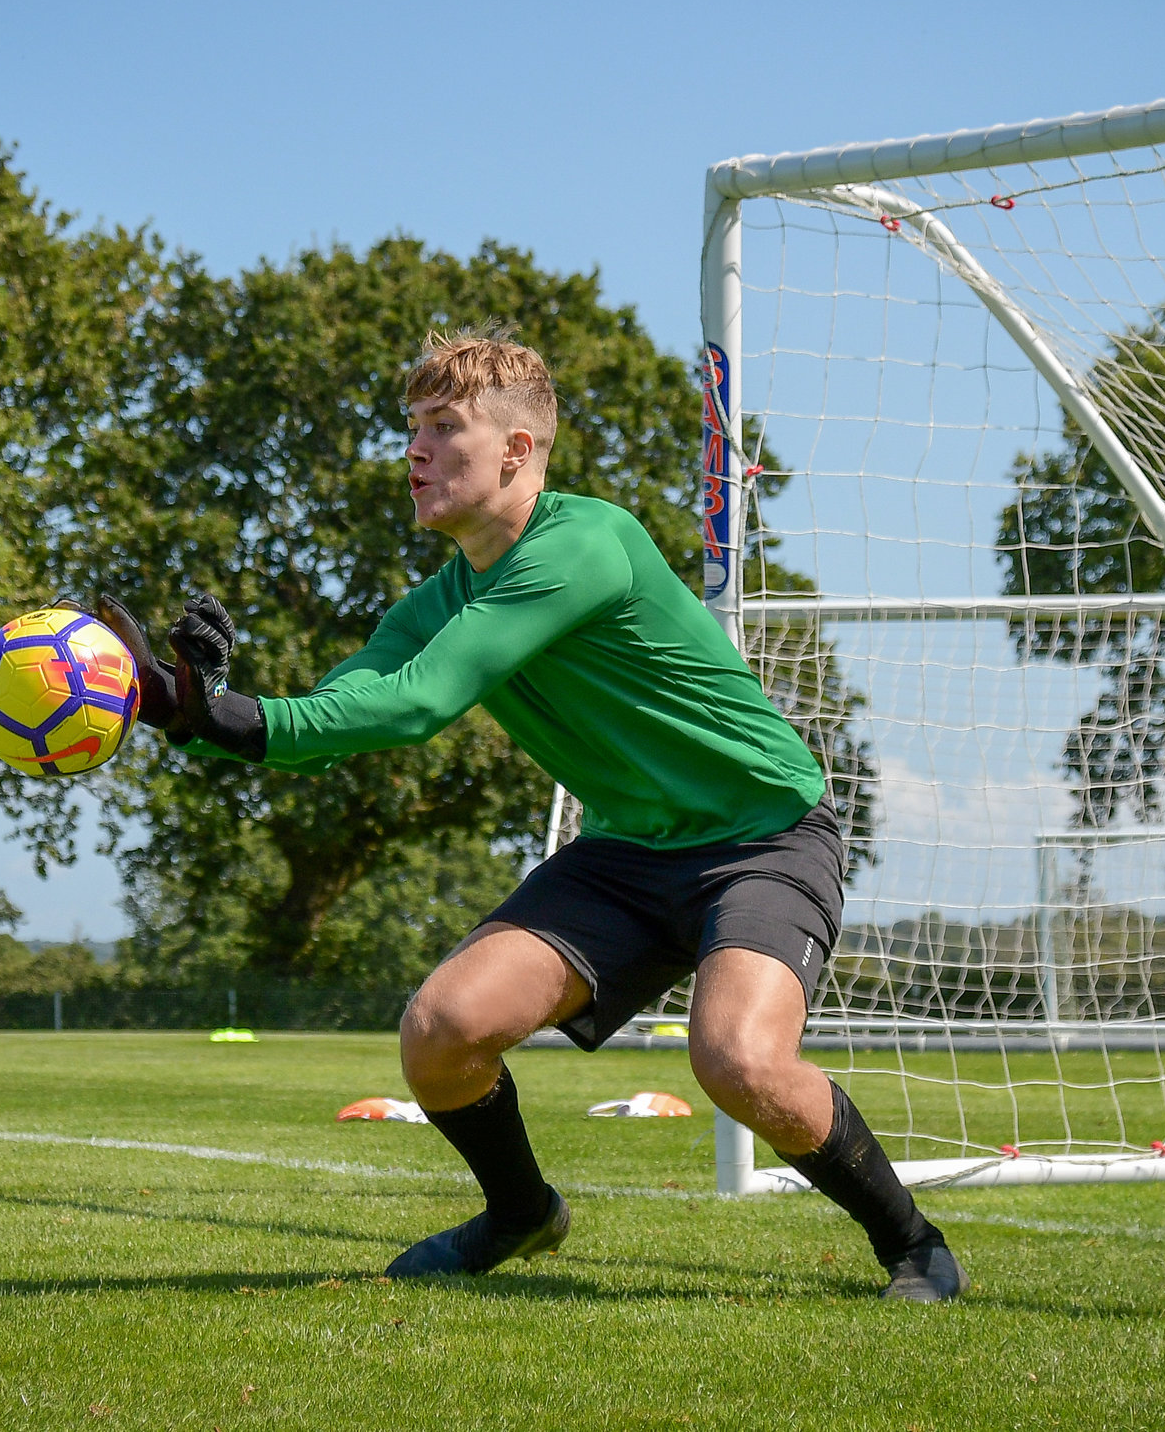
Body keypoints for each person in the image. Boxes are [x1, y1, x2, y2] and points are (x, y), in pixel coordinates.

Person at [98, 333, 961, 1301]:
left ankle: (912, 1244)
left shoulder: (585, 542)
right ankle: (519, 1212)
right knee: (440, 1027)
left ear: (516, 448)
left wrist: (224, 715)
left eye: (441, 428)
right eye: (411, 429)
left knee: (738, 1060)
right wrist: (190, 709)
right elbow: (340, 716)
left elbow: (419, 702)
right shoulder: (433, 601)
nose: (414, 452)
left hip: (760, 838)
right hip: (624, 854)